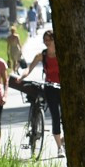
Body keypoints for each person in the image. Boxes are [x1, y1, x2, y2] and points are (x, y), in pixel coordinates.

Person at [24, 29, 63, 157]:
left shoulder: (62, 52)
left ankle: (63, 140)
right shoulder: (43, 55)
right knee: (55, 117)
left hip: (63, 88)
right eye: (45, 40)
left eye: (49, 39)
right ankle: (59, 148)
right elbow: (29, 69)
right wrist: (21, 77)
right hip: (50, 88)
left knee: (67, 118)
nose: (47, 42)